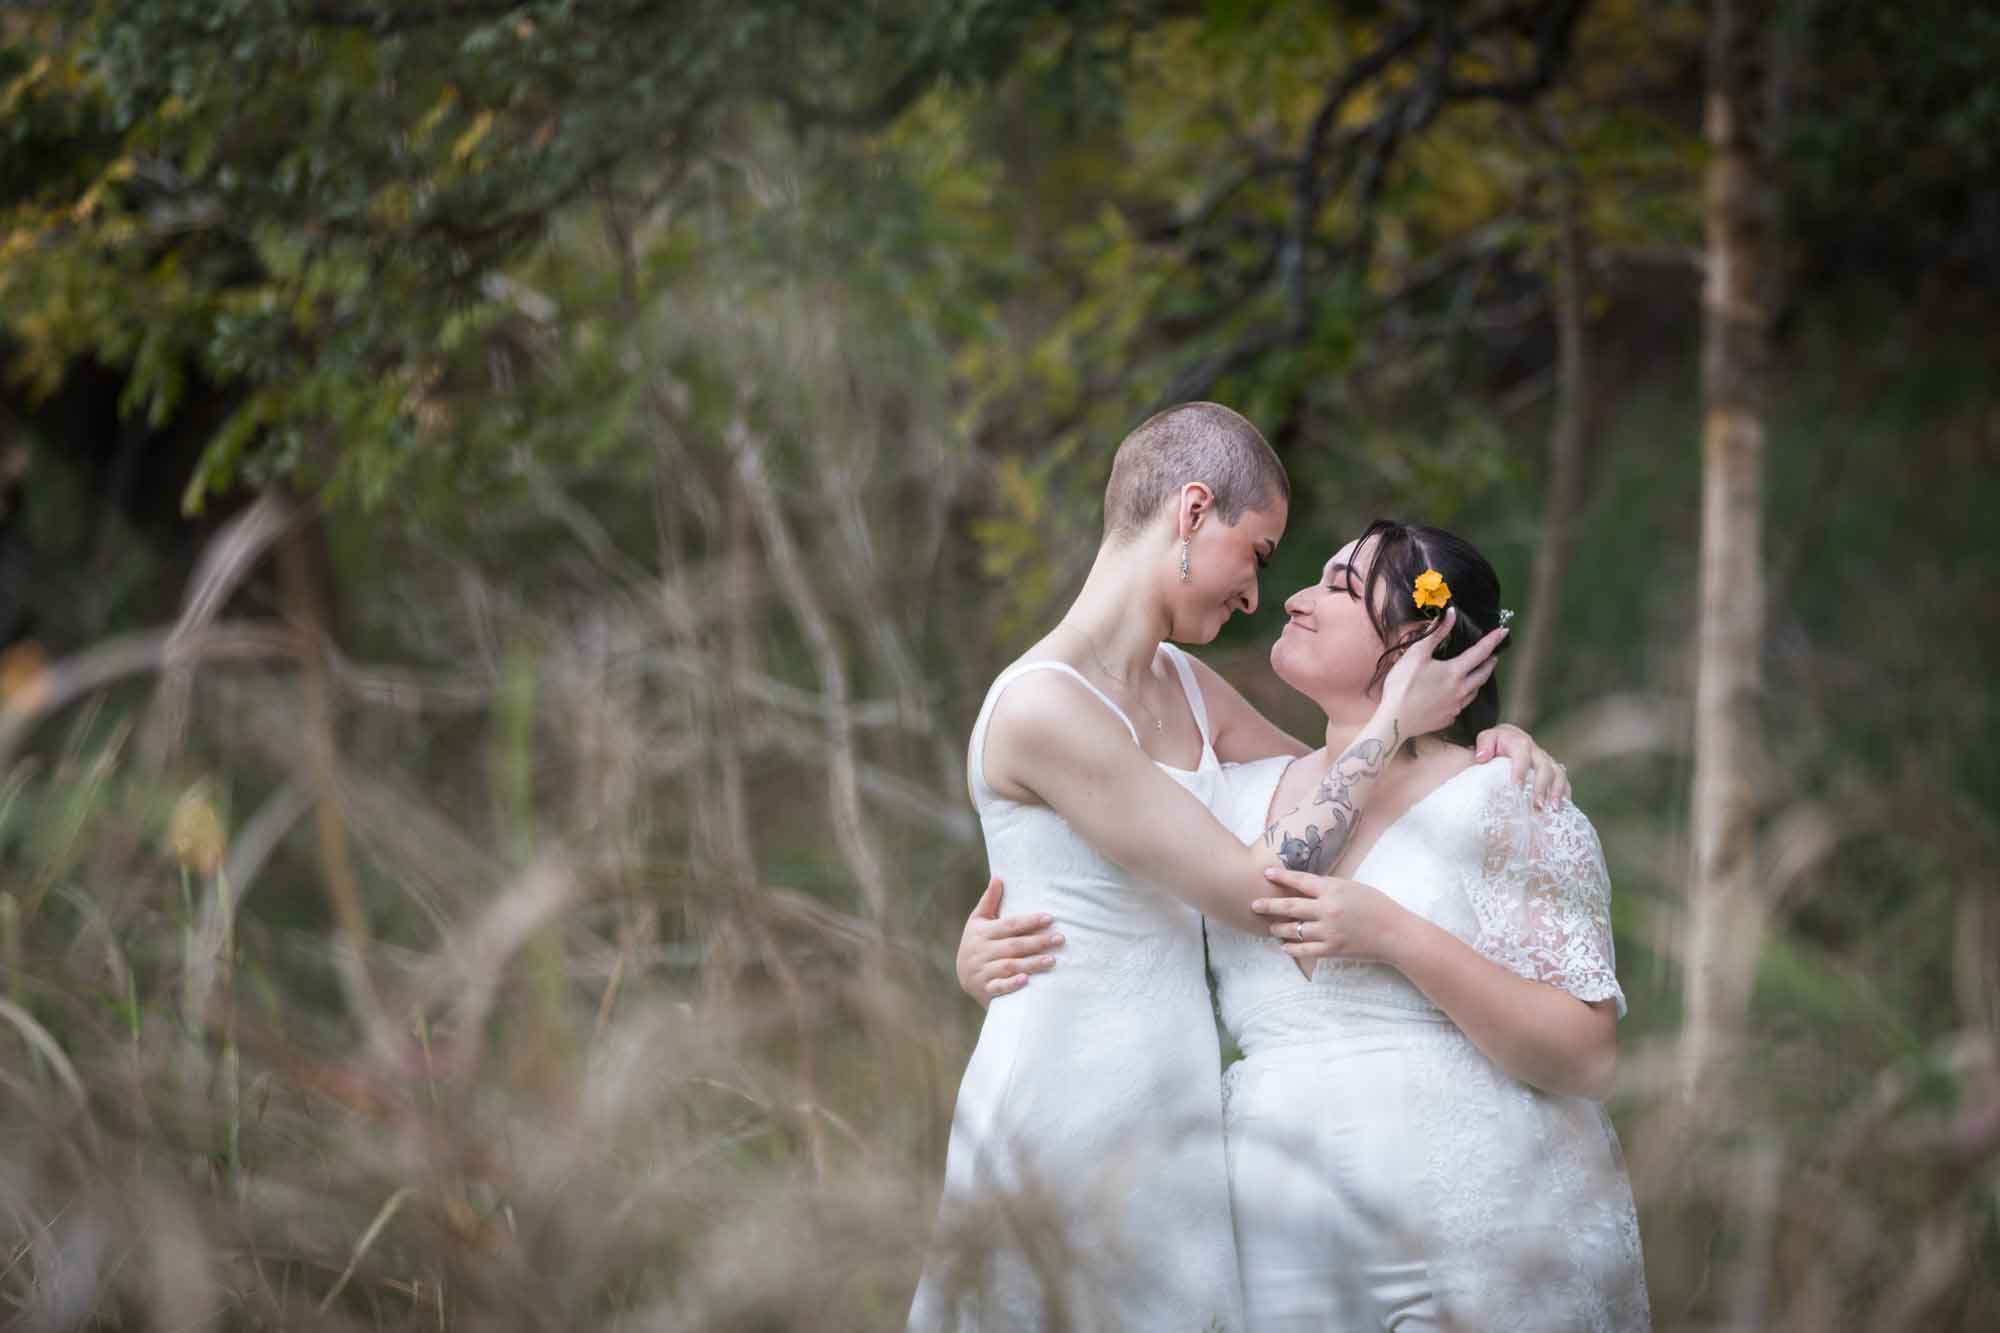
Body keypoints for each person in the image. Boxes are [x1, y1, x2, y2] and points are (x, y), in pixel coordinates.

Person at [909, 404, 1566, 1332]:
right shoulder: (1040, 708)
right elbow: (1263, 885)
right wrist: (1392, 721)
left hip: (1179, 1105)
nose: (1260, 593)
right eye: (1256, 552)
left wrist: (1482, 747)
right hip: (1069, 1088)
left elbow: (1336, 799)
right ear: (1190, 511)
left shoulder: (1187, 685)